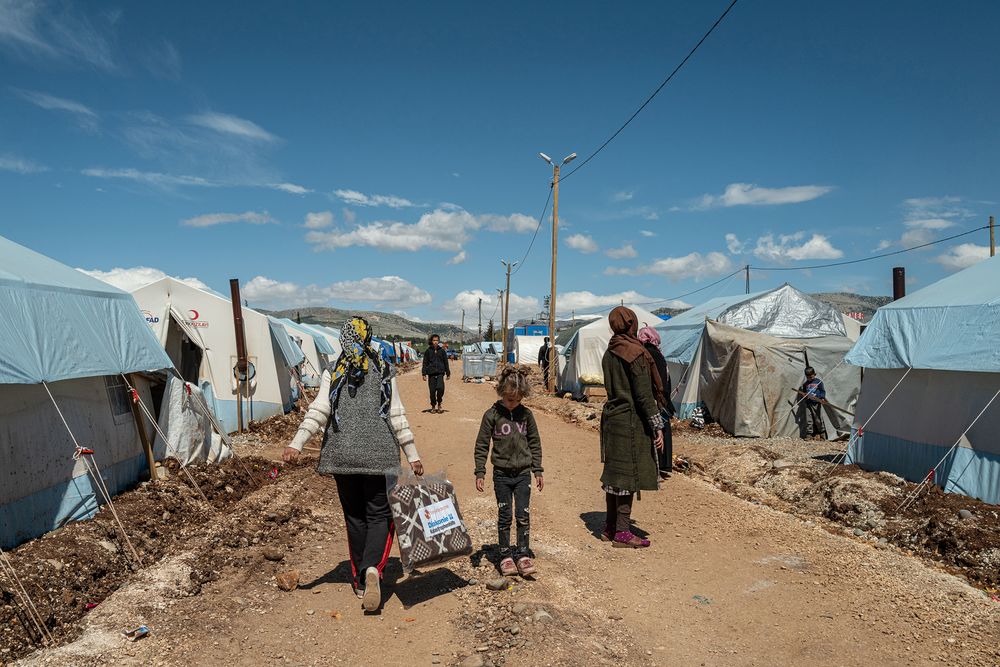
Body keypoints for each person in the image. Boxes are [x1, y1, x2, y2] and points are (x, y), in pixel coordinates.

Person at [284, 316, 423, 613]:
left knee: (355, 517)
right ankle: (372, 568)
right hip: (379, 456)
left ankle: (360, 580)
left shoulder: (334, 369)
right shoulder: (383, 368)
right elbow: (396, 414)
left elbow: (319, 410)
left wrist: (297, 443)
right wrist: (412, 455)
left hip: (341, 456)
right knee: (380, 515)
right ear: (368, 337)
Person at [599, 306, 664, 548]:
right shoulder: (634, 353)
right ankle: (623, 532)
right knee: (627, 476)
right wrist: (657, 425)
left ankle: (609, 527)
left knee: (614, 476)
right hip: (630, 422)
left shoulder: (610, 352)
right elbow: (644, 396)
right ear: (631, 324)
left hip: (612, 419)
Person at [474, 365, 543, 576]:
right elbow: (482, 445)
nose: (513, 404)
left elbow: (535, 442)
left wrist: (537, 470)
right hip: (501, 475)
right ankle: (505, 555)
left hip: (523, 475)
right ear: (502, 392)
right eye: (510, 399)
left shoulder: (527, 415)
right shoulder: (491, 415)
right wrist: (480, 472)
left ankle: (522, 554)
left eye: (518, 400)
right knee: (505, 516)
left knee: (523, 515)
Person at [638, 324, 675, 479]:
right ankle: (659, 467)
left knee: (654, 431)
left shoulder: (645, 353)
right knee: (659, 431)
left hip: (654, 399)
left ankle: (656, 467)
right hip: (659, 400)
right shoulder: (655, 353)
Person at [421, 333, 450, 413]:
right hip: (431, 374)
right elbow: (425, 363)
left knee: (441, 388)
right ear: (431, 341)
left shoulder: (442, 351)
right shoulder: (428, 351)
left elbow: (446, 362)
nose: (435, 342)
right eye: (434, 340)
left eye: (437, 340)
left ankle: (439, 403)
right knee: (432, 391)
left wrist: (448, 373)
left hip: (440, 373)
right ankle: (433, 406)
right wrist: (424, 373)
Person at [797, 366, 827, 440]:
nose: (810, 378)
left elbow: (822, 391)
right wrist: (804, 395)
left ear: (814, 374)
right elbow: (804, 393)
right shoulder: (805, 384)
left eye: (811, 377)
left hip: (816, 403)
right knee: (808, 419)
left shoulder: (818, 382)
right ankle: (809, 434)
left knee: (818, 419)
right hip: (808, 403)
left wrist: (822, 398)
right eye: (808, 377)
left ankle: (822, 433)